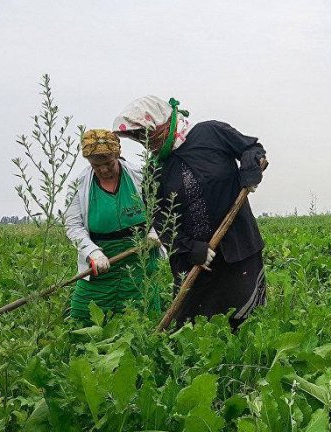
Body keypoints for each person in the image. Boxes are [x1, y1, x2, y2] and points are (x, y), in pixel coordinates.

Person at [113, 96, 267, 330]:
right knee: (195, 328)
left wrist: (250, 171)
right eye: (139, 138)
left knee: (246, 323)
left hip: (238, 246)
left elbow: (251, 148)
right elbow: (160, 218)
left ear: (163, 122)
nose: (146, 143)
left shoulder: (211, 133)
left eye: (148, 134)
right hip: (194, 261)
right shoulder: (154, 171)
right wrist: (190, 247)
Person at [65, 129, 162, 325]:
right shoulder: (78, 185)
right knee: (83, 313)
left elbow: (160, 209)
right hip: (103, 260)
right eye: (96, 165)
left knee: (140, 313)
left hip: (139, 255)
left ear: (117, 154)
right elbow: (73, 225)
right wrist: (93, 253)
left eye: (108, 163)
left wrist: (154, 232)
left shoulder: (141, 177)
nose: (103, 170)